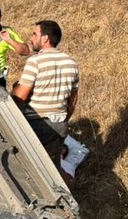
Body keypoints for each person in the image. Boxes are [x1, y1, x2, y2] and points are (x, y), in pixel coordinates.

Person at [12, 20, 80, 167]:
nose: (31, 38)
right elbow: (72, 101)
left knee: (26, 167)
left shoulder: (35, 61)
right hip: (60, 125)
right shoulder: (72, 63)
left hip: (36, 124)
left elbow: (20, 96)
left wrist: (13, 91)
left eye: (35, 34)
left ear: (45, 38)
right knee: (52, 168)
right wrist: (63, 120)